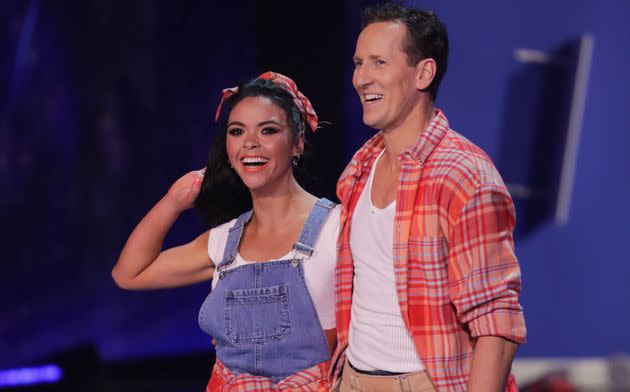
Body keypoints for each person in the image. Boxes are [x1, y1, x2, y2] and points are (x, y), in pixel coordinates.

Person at [329, 4, 527, 392]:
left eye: (379, 62)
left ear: (423, 73)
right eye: (358, 63)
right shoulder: (359, 167)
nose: (361, 78)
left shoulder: (463, 175)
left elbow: (496, 322)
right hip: (353, 379)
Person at [112, 71, 339, 391]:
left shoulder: (336, 228)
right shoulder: (223, 241)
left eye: (268, 130)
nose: (249, 143)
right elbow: (129, 274)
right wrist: (173, 201)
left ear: (297, 143)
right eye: (237, 131)